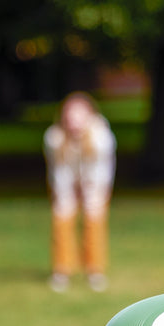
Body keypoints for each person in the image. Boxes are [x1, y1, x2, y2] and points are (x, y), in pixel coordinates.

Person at [43, 91, 116, 292]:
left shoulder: (101, 137)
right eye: (70, 115)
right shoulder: (54, 138)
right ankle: (62, 270)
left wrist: (89, 191)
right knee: (62, 218)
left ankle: (95, 270)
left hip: (95, 183)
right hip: (65, 183)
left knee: (94, 221)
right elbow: (59, 170)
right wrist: (67, 193)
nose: (74, 121)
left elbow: (101, 170)